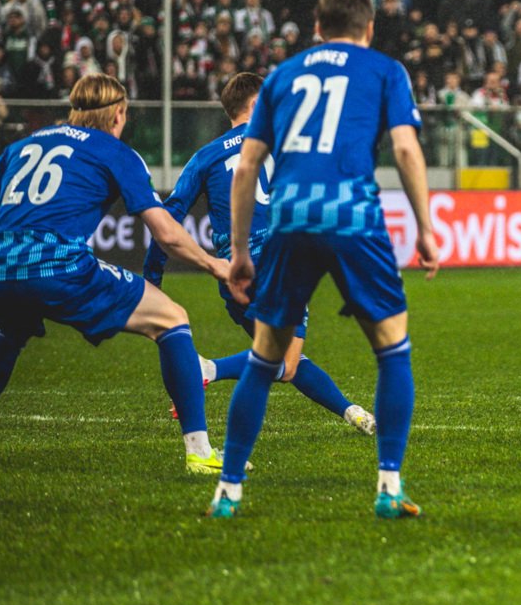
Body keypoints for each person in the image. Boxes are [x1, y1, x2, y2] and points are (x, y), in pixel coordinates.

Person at [207, 0, 440, 519]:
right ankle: (388, 487)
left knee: (266, 357)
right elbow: (405, 147)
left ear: (317, 27)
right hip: (354, 215)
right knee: (392, 349)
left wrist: (240, 251)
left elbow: (246, 167)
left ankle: (229, 491)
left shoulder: (283, 76)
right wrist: (425, 228)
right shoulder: (385, 71)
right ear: (369, 28)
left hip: (289, 218)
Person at [0, 74, 232, 475]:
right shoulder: (116, 151)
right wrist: (216, 265)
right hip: (58, 265)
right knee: (173, 320)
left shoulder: (24, 145)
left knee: (9, 335)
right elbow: (166, 233)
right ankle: (200, 452)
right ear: (119, 113)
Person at [142, 72, 375, 435]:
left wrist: (152, 277)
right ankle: (208, 369)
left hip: (235, 274)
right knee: (287, 362)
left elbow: (166, 220)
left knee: (280, 359)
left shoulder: (205, 157)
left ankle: (350, 411)